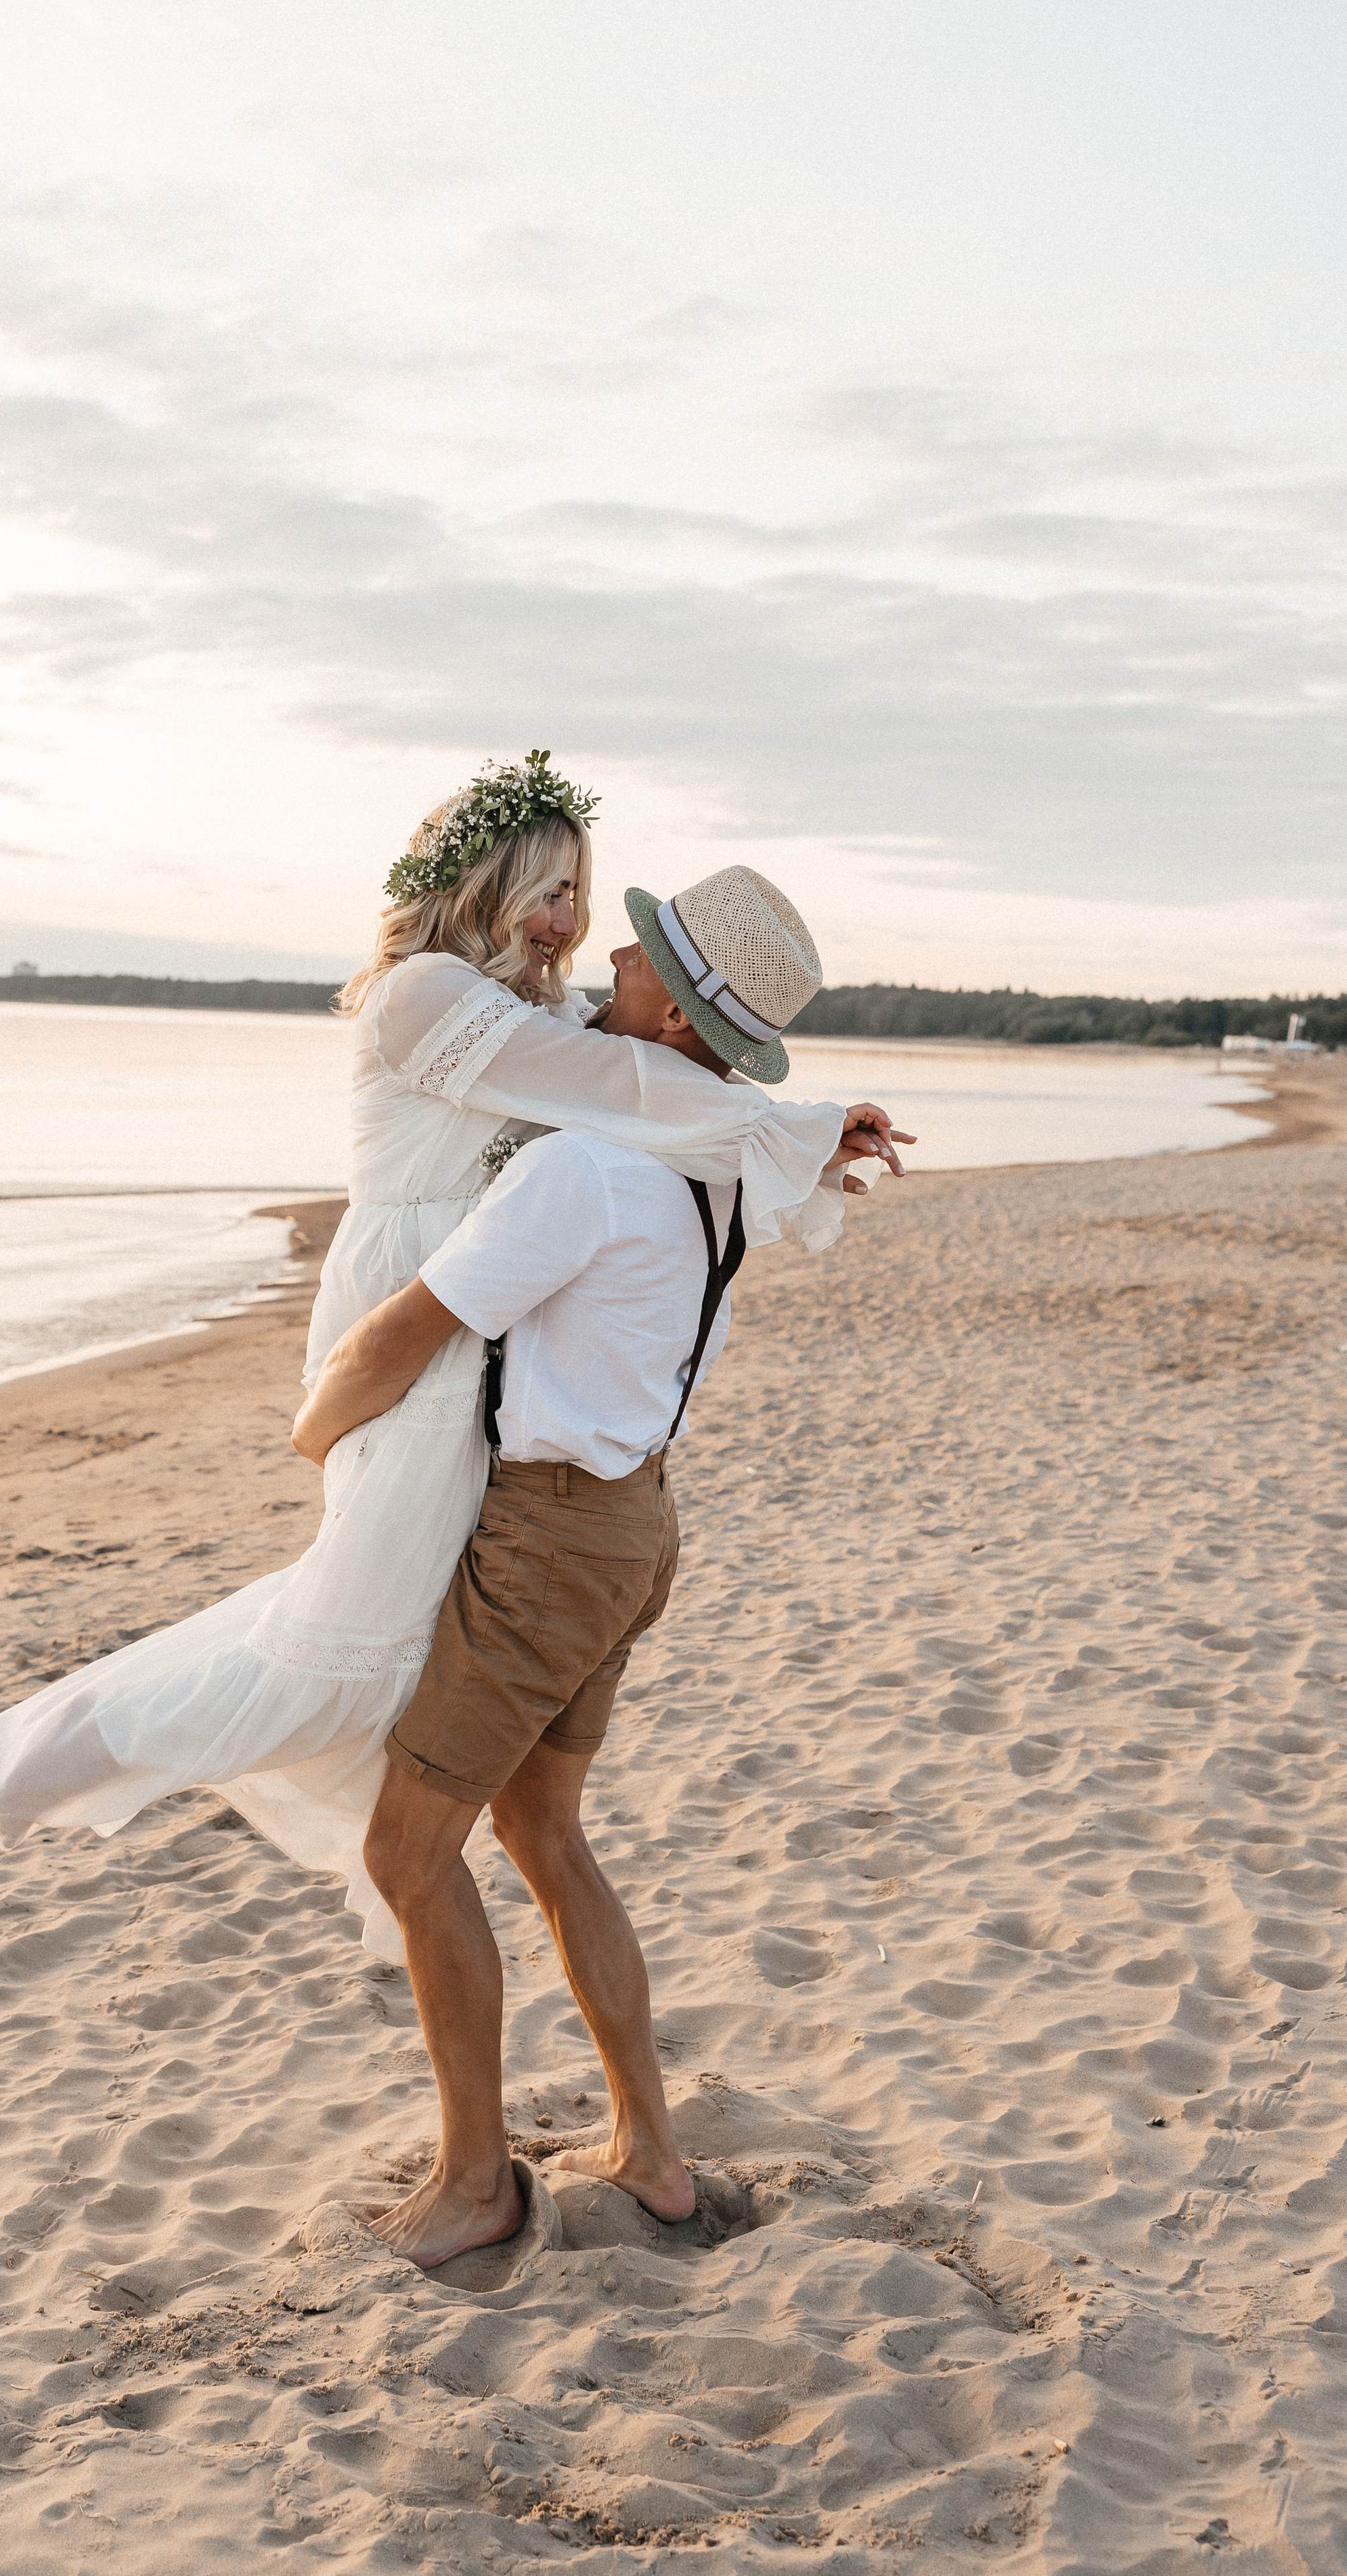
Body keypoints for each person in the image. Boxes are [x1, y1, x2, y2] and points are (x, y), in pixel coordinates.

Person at [0, 758, 906, 1957]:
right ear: (480, 878)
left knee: (398, 1614)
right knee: (351, 1601)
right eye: (547, 891)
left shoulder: (535, 1012)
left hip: (478, 1317)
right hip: (406, 1299)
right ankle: (80, 1752)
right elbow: (623, 1077)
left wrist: (800, 1137)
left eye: (579, 894)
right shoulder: (423, 996)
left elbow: (649, 1074)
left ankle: (400, 1816)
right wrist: (798, 1127)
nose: (572, 924)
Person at [290, 862, 910, 2266]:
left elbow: (411, 1331)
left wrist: (313, 1430)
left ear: (677, 1016)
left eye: (644, 954)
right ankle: (650, 2151)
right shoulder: (707, 1178)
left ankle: (474, 2184)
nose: (611, 951)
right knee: (541, 1834)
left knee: (406, 1850)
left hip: (553, 1537)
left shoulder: (584, 1165)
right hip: (637, 1526)